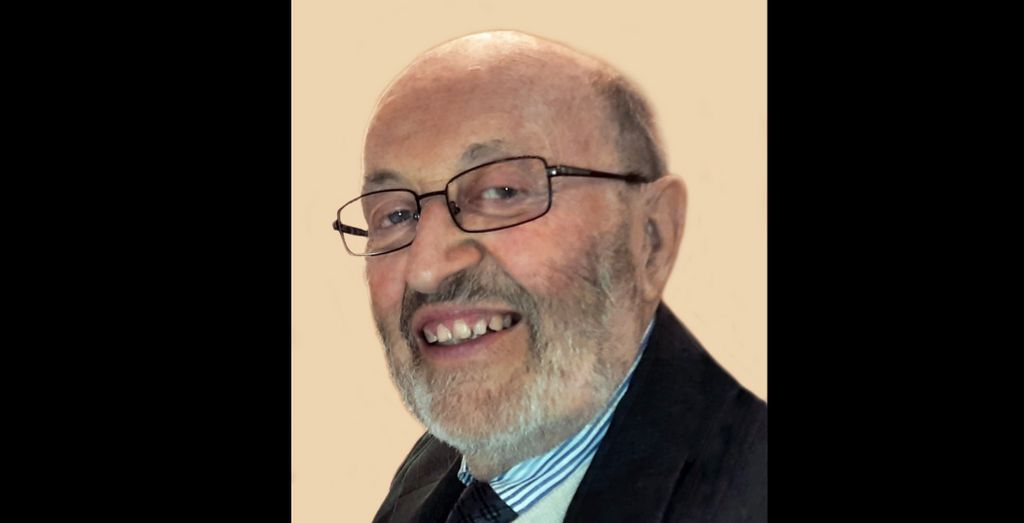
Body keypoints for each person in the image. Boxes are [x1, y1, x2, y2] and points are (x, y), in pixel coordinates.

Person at [332, 30, 766, 523]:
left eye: (502, 192)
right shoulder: (432, 467)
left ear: (652, 237)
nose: (427, 268)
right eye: (394, 215)